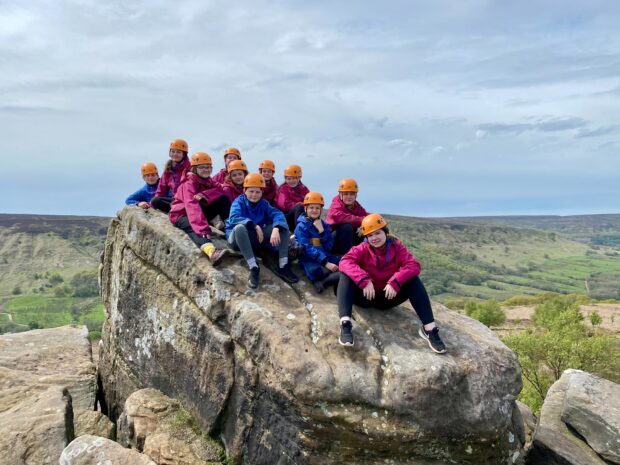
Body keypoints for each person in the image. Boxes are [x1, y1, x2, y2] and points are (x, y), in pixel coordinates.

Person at [336, 213, 447, 354]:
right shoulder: (362, 248)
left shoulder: (396, 247)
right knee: (346, 275)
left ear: (385, 232)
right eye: (370, 235)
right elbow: (345, 261)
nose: (374, 238)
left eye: (377, 233)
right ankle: (345, 324)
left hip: (387, 298)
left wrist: (396, 281)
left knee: (413, 280)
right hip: (365, 297)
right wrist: (363, 279)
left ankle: (429, 329)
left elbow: (413, 265)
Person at [226, 173, 299, 289]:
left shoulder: (263, 204)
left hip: (255, 239)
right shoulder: (238, 202)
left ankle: (282, 266)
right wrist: (254, 225)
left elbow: (277, 214)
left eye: (257, 192)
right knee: (240, 228)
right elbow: (234, 218)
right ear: (244, 190)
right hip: (237, 239)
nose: (254, 195)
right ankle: (253, 267)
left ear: (262, 193)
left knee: (282, 228)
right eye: (251, 191)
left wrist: (276, 228)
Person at [168, 152, 230, 265]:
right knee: (194, 228)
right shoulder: (188, 184)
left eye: (208, 167)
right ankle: (211, 252)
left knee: (223, 199)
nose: (206, 170)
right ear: (195, 168)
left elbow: (221, 190)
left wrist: (205, 195)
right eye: (202, 167)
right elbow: (192, 207)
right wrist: (203, 229)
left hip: (198, 210)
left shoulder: (209, 181)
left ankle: (230, 228)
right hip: (181, 214)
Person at [294, 192, 341, 294]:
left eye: (317, 208)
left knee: (344, 263)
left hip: (325, 255)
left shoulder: (324, 225)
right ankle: (320, 281)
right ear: (305, 209)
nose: (314, 210)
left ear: (321, 210)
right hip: (309, 258)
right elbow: (307, 247)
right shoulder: (301, 226)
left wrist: (322, 232)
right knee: (315, 271)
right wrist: (326, 263)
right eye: (311, 208)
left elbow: (328, 246)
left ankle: (324, 281)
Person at [326, 178, 368, 255]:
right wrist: (362, 220)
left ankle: (364, 255)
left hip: (347, 241)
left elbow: (366, 216)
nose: (349, 196)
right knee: (346, 226)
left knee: (366, 230)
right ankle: (346, 257)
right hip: (332, 242)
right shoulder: (335, 204)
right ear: (340, 195)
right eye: (346, 194)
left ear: (355, 196)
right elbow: (338, 217)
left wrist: (364, 226)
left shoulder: (357, 207)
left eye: (352, 194)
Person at [151, 139, 191, 213]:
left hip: (189, 200)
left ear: (184, 154)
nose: (175, 154)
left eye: (178, 152)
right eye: (173, 151)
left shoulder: (191, 168)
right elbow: (161, 190)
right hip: (175, 201)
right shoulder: (168, 170)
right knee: (155, 201)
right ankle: (178, 210)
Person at [275, 164, 310, 231]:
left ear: (299, 178)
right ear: (285, 179)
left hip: (302, 215)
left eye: (294, 178)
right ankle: (300, 232)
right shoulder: (283, 189)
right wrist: (299, 204)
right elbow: (284, 205)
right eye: (289, 179)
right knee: (299, 207)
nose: (292, 181)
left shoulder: (304, 189)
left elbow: (309, 201)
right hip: (286, 219)